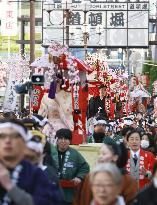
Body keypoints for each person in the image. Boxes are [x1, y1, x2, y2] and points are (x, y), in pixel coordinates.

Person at [0, 118, 62, 205]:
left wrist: (10, 187)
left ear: (23, 142)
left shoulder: (36, 174)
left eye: (14, 136)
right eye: (2, 136)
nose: (7, 141)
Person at [73, 142, 138, 205]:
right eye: (99, 154)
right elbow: (80, 201)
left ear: (115, 157)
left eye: (104, 154)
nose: (100, 157)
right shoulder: (89, 177)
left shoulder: (127, 180)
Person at [51, 128, 90, 205]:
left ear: (70, 141)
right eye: (60, 138)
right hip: (52, 191)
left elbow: (85, 167)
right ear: (57, 140)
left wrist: (79, 177)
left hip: (69, 193)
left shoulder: (75, 154)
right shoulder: (50, 152)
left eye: (66, 139)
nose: (63, 141)